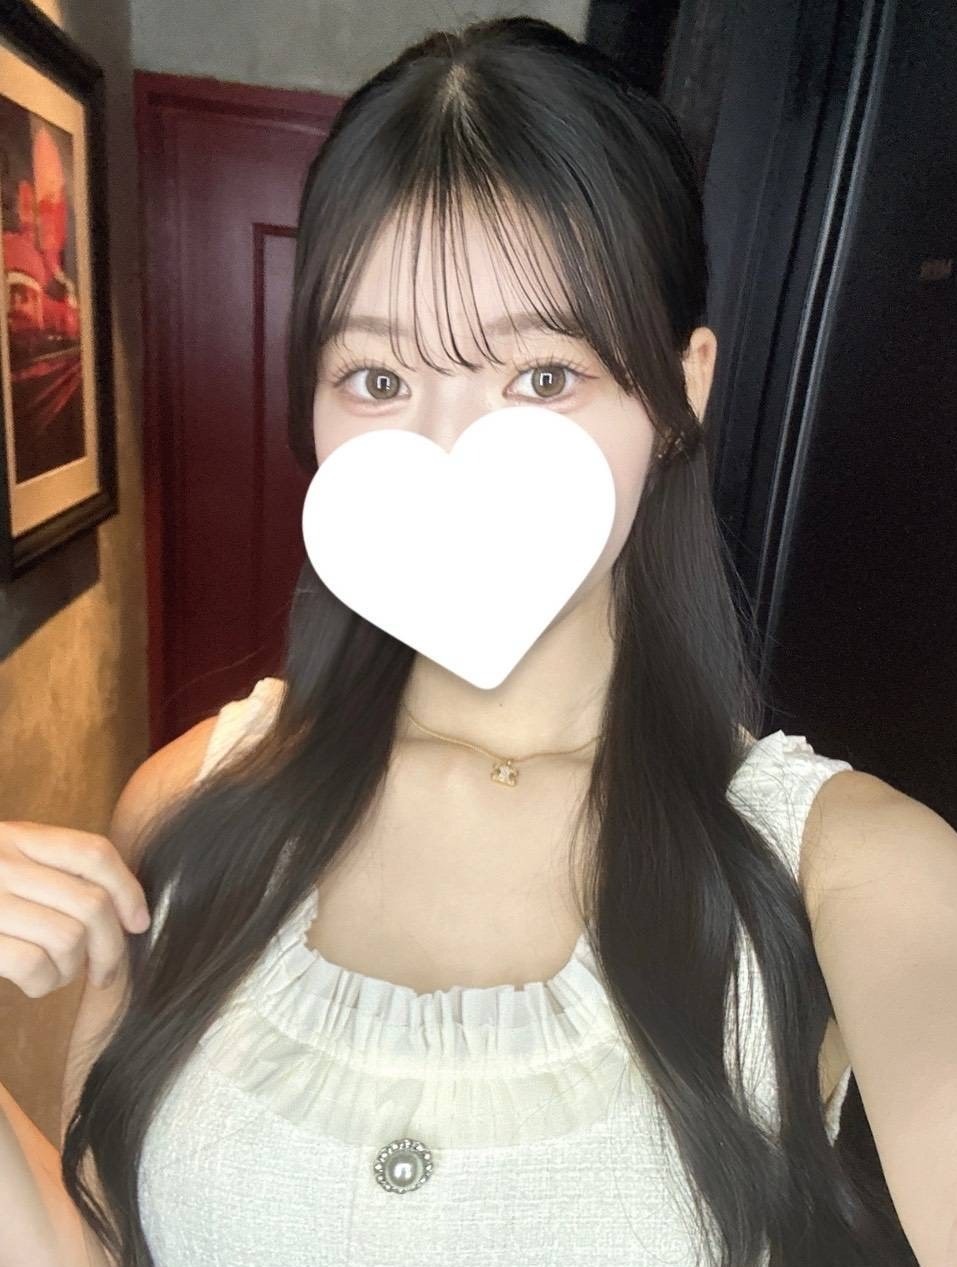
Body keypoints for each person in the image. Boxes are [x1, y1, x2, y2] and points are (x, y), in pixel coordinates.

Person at [0, 16, 941, 1267]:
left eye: (543, 376)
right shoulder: (189, 806)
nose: (450, 451)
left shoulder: (851, 872)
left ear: (682, 392)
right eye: (379, 380)